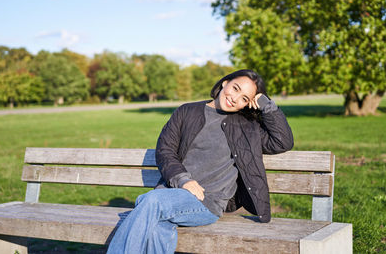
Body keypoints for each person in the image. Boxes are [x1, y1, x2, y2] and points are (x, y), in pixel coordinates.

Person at [107, 69, 294, 254]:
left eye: (245, 98)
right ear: (224, 83)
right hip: (172, 194)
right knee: (158, 227)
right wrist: (183, 180)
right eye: (235, 88)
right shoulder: (187, 111)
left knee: (149, 201)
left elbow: (282, 141)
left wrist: (266, 105)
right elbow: (165, 150)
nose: (235, 98)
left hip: (207, 203)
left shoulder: (246, 128)